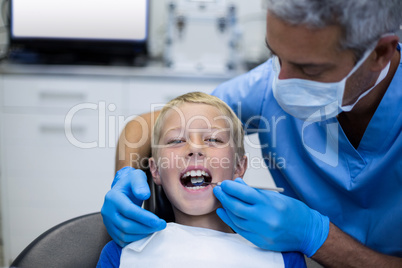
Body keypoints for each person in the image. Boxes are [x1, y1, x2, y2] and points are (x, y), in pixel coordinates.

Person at [101, 0, 402, 267]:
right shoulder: (266, 87)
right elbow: (148, 126)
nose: (281, 83)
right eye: (276, 56)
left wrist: (317, 237)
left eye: (309, 69)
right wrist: (127, 177)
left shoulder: (281, 260)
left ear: (380, 53)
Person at [97, 92, 306, 267]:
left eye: (213, 139)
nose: (195, 148)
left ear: (239, 167)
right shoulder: (123, 254)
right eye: (176, 140)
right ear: (155, 170)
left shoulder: (283, 257)